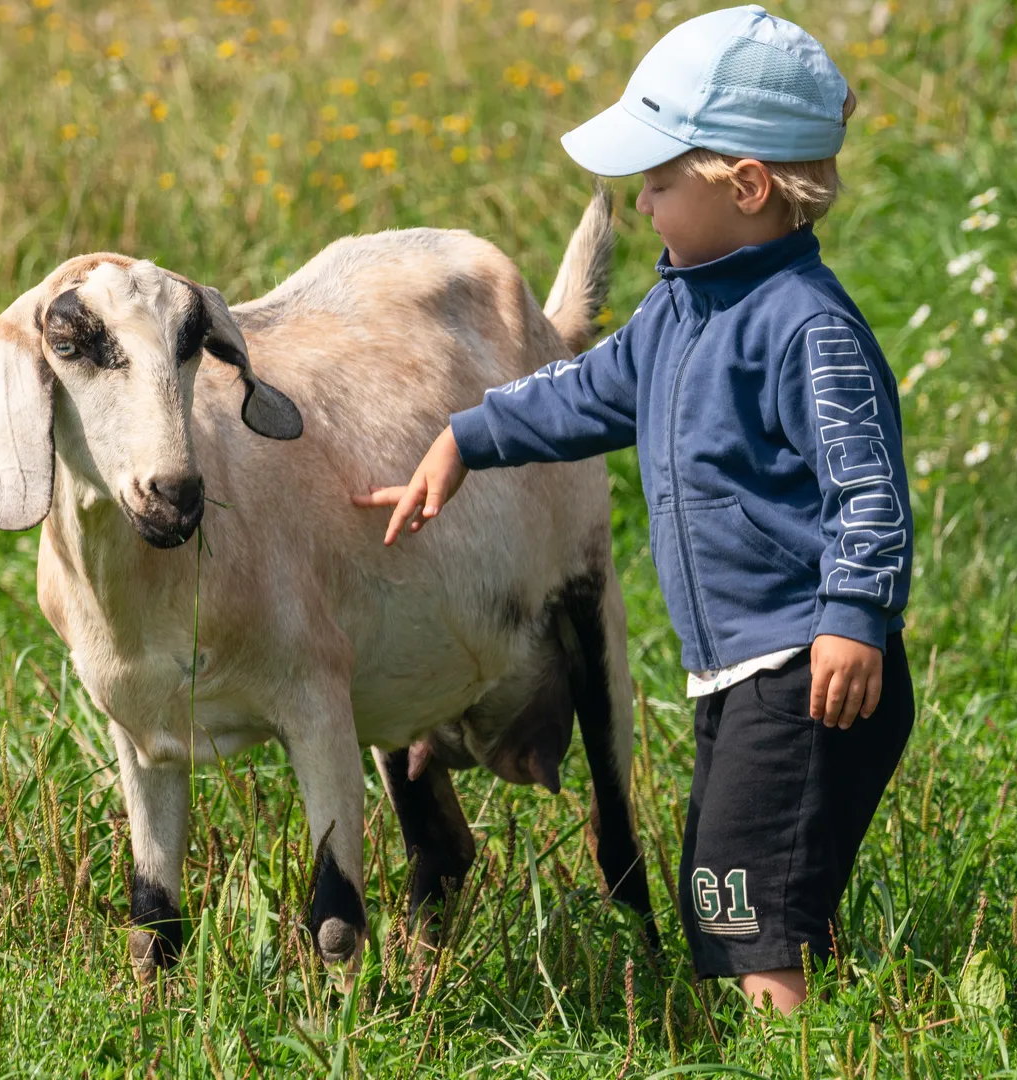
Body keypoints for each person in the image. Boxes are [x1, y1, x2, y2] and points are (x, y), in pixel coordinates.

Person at [354, 6, 916, 1012]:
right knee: (737, 884)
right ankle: (821, 1024)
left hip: (805, 663)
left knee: (745, 902)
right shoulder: (681, 312)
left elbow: (865, 486)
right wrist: (463, 439)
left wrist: (854, 616)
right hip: (739, 667)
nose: (643, 202)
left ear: (746, 189)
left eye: (660, 180)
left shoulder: (805, 329)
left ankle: (796, 1048)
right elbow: (582, 391)